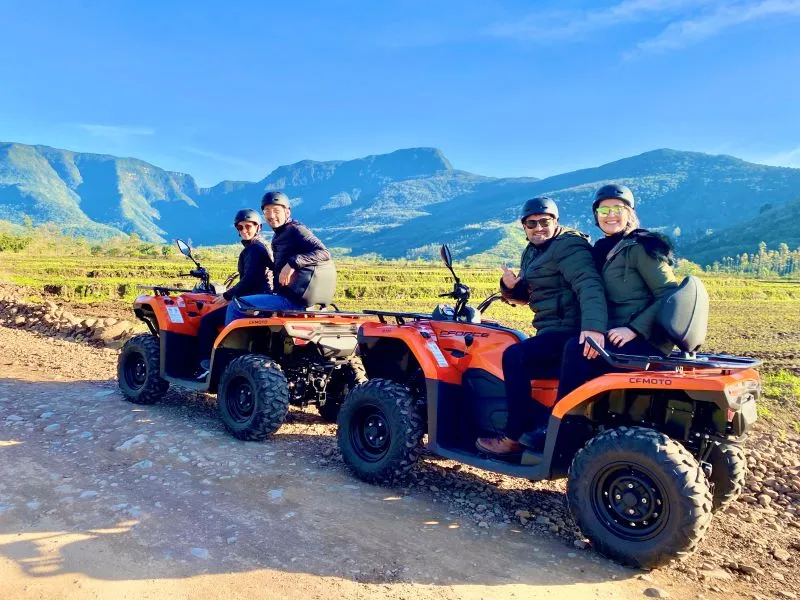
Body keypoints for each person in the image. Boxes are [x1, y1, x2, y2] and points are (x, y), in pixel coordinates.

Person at [475, 197, 607, 456]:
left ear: (556, 221)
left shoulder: (569, 246)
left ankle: (512, 436)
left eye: (544, 222)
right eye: (531, 224)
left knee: (515, 355)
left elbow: (588, 284)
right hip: (550, 330)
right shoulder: (533, 251)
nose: (538, 228)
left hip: (569, 329)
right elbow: (530, 296)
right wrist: (511, 288)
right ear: (524, 227)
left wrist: (593, 329)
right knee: (516, 352)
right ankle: (533, 421)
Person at [556, 183, 679, 398]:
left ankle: (563, 424)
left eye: (618, 209)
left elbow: (669, 294)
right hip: (615, 335)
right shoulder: (603, 249)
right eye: (604, 210)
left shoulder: (642, 246)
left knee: (576, 350)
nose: (610, 215)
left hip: (644, 340)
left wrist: (633, 329)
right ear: (596, 216)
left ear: (629, 212)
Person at [225, 191, 336, 323]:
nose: (271, 216)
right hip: (287, 296)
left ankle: (227, 345)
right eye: (267, 211)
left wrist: (292, 263)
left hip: (291, 301)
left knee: (235, 307)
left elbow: (324, 252)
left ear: (287, 212)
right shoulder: (279, 235)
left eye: (276, 211)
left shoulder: (296, 230)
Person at [194, 208, 273, 379]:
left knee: (207, 321)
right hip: (260, 297)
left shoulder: (254, 249)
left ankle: (206, 365)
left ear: (258, 227)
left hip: (253, 299)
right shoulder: (260, 246)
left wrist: (227, 296)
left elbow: (250, 280)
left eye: (248, 227)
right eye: (240, 227)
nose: (244, 231)